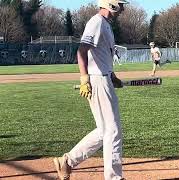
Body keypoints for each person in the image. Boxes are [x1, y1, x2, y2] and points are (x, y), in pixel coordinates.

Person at [53, 0, 128, 180]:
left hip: (103, 78)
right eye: (121, 3)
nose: (123, 7)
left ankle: (67, 162)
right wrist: (84, 78)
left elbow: (101, 56)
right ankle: (113, 177)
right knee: (113, 131)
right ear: (111, 4)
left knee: (104, 131)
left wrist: (112, 76)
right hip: (97, 81)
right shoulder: (96, 22)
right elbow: (81, 51)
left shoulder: (106, 25)